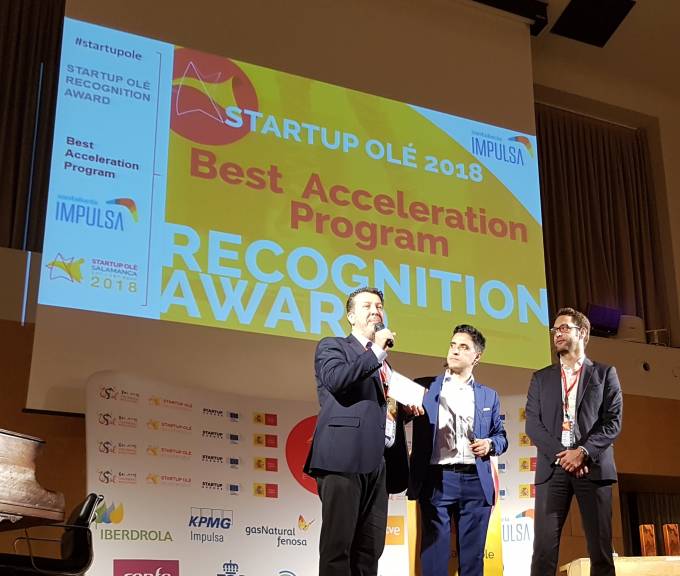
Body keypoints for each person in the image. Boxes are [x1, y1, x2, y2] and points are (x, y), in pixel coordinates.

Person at [304, 286, 420, 576]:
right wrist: (377, 351)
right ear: (351, 316)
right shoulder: (333, 347)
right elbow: (337, 380)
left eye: (379, 306)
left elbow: (378, 413)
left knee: (369, 552)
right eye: (367, 306)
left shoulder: (385, 366)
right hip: (343, 458)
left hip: (379, 463)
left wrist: (405, 410)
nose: (375, 311)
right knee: (338, 547)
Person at [526, 307, 623, 576]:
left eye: (564, 328)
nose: (557, 333)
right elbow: (533, 425)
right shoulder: (541, 378)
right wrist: (564, 455)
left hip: (593, 467)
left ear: (582, 332)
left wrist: (582, 452)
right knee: (543, 552)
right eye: (555, 329)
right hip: (553, 469)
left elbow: (613, 422)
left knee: (601, 552)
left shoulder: (604, 374)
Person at [408, 324, 507, 576]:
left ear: (477, 356)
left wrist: (490, 444)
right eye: (453, 345)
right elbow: (396, 417)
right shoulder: (425, 387)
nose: (454, 351)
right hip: (436, 479)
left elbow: (501, 437)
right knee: (434, 558)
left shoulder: (489, 396)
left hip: (476, 480)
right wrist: (404, 410)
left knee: (473, 561)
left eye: (463, 347)